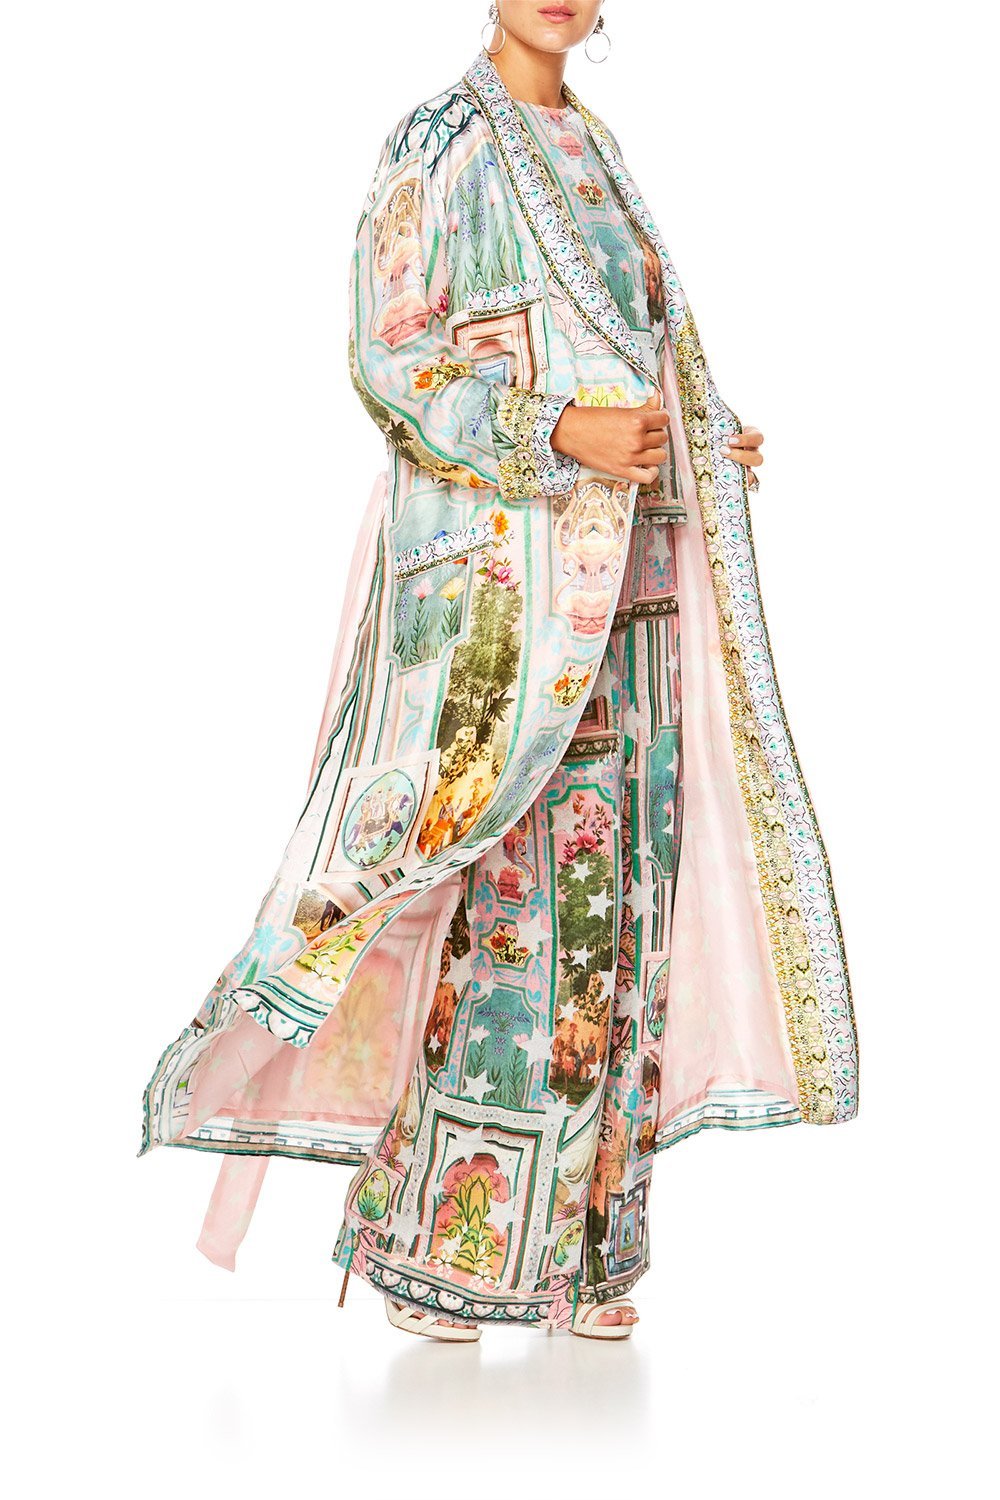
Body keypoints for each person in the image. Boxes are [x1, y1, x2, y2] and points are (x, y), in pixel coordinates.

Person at [140, 1, 859, 1343]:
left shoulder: (596, 148)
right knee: (510, 912)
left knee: (623, 911)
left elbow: (632, 352)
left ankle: (587, 1256)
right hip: (503, 613)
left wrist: (699, 433)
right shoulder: (442, 140)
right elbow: (395, 361)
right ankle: (446, 1255)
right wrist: (560, 430)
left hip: (634, 591)